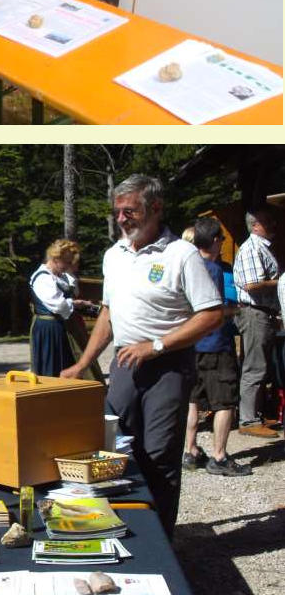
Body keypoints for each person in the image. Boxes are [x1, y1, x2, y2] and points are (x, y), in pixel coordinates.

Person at [61, 174, 223, 537]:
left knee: (159, 456)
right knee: (112, 451)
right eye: (117, 212)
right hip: (124, 364)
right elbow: (107, 314)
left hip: (167, 366)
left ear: (156, 208)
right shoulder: (113, 255)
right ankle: (122, 531)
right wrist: (83, 364)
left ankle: (160, 542)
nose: (122, 219)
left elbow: (211, 314)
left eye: (129, 211)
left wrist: (157, 345)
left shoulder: (181, 254)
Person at [182, 217, 251, 477]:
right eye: (221, 238)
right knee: (224, 401)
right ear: (214, 241)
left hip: (191, 343)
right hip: (215, 344)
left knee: (193, 400)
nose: (223, 243)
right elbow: (216, 309)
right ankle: (219, 457)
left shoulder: (188, 266)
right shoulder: (212, 269)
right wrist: (235, 309)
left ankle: (191, 451)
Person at [233, 206, 281, 438]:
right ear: (255, 226)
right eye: (266, 221)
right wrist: (279, 282)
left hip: (263, 312)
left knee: (261, 365)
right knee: (254, 366)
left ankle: (256, 414)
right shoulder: (252, 249)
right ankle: (249, 420)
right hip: (254, 312)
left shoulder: (261, 248)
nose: (272, 224)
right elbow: (252, 284)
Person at [29, 239, 103, 381]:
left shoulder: (60, 276)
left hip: (64, 326)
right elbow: (58, 305)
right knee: (52, 366)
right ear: (55, 259)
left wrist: (77, 303)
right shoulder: (43, 278)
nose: (70, 266)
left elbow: (71, 294)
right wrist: (75, 304)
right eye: (67, 262)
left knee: (71, 360)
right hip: (49, 330)